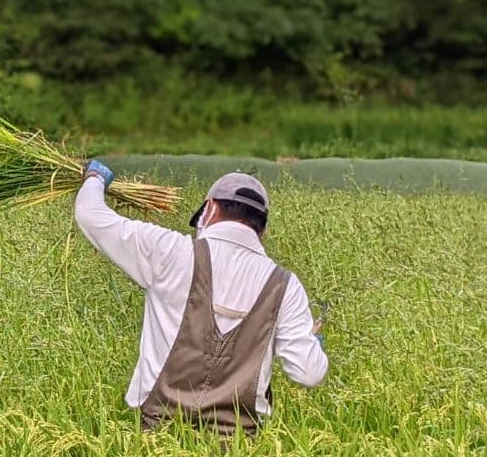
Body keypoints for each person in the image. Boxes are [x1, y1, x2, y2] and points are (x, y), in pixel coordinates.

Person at [75, 161, 328, 436]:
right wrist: (311, 346)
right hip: (238, 449)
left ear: (210, 209)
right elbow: (308, 373)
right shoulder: (285, 285)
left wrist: (95, 177)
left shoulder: (171, 251)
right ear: (262, 231)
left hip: (157, 437)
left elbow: (91, 214)